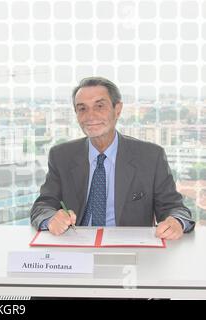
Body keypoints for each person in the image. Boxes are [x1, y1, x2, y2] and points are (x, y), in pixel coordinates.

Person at [30, 77, 195, 240]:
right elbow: (42, 206)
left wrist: (177, 221)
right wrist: (51, 218)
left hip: (131, 251)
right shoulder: (62, 156)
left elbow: (174, 208)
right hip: (76, 248)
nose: (90, 116)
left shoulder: (151, 156)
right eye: (82, 109)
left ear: (118, 109)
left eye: (99, 106)